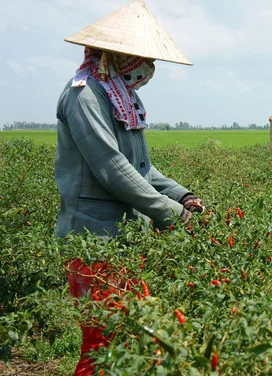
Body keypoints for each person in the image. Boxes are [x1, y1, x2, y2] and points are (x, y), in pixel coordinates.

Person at [55, 1, 203, 374]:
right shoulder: (85, 95)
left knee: (130, 335)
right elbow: (112, 167)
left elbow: (141, 167)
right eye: (138, 57)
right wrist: (171, 213)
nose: (146, 68)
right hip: (93, 235)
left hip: (123, 236)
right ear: (117, 54)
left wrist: (181, 195)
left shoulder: (118, 96)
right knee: (102, 340)